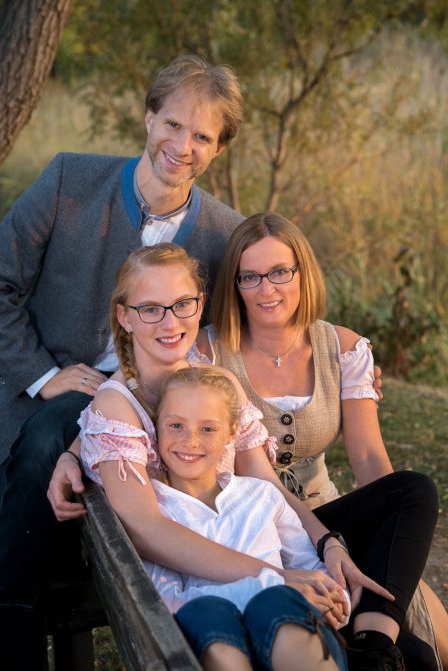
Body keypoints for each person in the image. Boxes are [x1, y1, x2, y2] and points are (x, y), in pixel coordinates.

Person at [56, 243, 437, 671]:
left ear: (200, 305)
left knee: (410, 503)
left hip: (258, 548)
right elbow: (147, 529)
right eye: (151, 309)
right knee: (411, 653)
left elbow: (266, 486)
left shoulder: (215, 382)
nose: (170, 321)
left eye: (183, 304)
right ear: (124, 316)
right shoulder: (118, 406)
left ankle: (372, 640)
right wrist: (275, 576)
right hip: (199, 592)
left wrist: (325, 543)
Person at [0, 55, 245, 670]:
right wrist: (44, 374)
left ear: (217, 150)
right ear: (148, 116)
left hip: (143, 407)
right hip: (44, 393)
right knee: (41, 442)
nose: (182, 146)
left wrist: (344, 353)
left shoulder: (222, 234)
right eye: (173, 125)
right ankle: (16, 626)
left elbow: (259, 318)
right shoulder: (67, 182)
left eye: (202, 136)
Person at [206, 211, 447, 669]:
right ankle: (375, 646)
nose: (267, 289)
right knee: (414, 650)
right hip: (257, 531)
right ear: (234, 285)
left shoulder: (343, 348)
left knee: (413, 492)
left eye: (280, 272)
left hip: (329, 515)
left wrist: (388, 531)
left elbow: (369, 457)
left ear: (302, 272)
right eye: (250, 277)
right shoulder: (209, 352)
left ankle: (375, 647)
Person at [102, 366, 351, 671]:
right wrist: (269, 583)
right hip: (214, 643)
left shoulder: (261, 496)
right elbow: (165, 602)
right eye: (176, 425)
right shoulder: (156, 512)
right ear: (156, 429)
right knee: (207, 610)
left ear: (232, 432)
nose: (190, 441)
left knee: (273, 605)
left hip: (292, 638)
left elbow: (311, 573)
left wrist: (334, 600)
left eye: (208, 428)